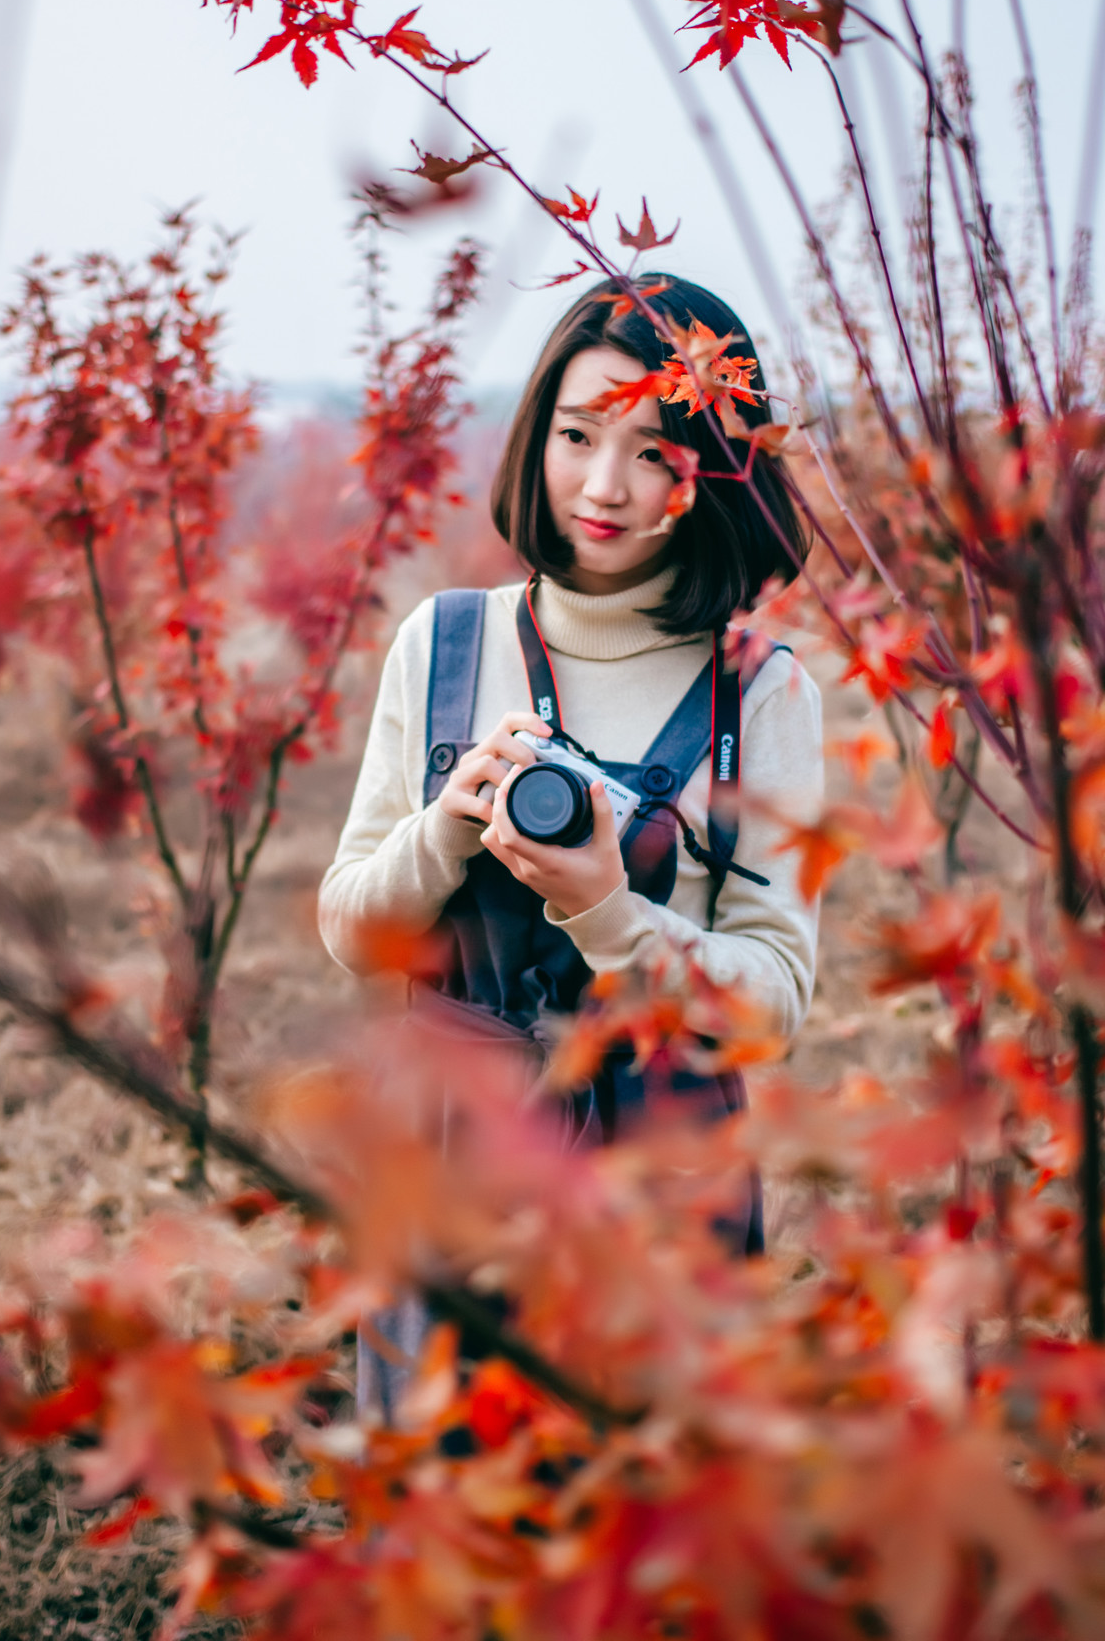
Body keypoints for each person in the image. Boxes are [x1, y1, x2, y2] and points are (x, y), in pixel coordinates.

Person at [318, 274, 824, 1419]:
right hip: (449, 1147)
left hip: (662, 1168)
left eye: (656, 451)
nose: (604, 484)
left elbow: (776, 1001)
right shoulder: (448, 640)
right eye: (578, 432)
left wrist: (610, 909)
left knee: (638, 1545)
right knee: (442, 1535)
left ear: (718, 468)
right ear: (536, 429)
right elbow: (352, 931)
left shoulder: (761, 692)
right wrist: (449, 824)